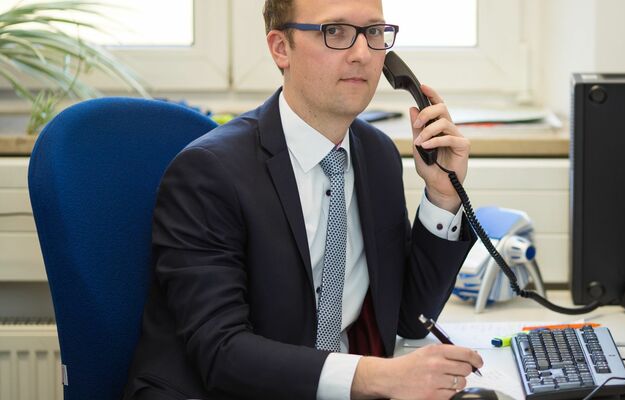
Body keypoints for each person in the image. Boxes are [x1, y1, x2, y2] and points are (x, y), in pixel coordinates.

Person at [123, 0, 483, 398]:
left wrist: (443, 194)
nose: (363, 54)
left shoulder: (377, 155)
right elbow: (221, 352)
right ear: (281, 48)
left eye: (375, 32)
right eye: (336, 32)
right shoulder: (208, 173)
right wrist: (376, 377)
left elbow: (411, 321)